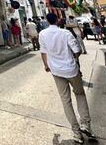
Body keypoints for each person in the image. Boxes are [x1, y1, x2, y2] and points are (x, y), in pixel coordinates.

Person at [39, 13, 93, 143]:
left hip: (56, 71)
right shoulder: (65, 33)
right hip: (71, 69)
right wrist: (74, 58)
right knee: (80, 94)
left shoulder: (43, 34)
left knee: (66, 100)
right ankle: (86, 124)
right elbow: (77, 50)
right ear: (57, 20)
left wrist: (46, 65)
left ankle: (76, 132)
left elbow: (43, 51)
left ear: (47, 21)